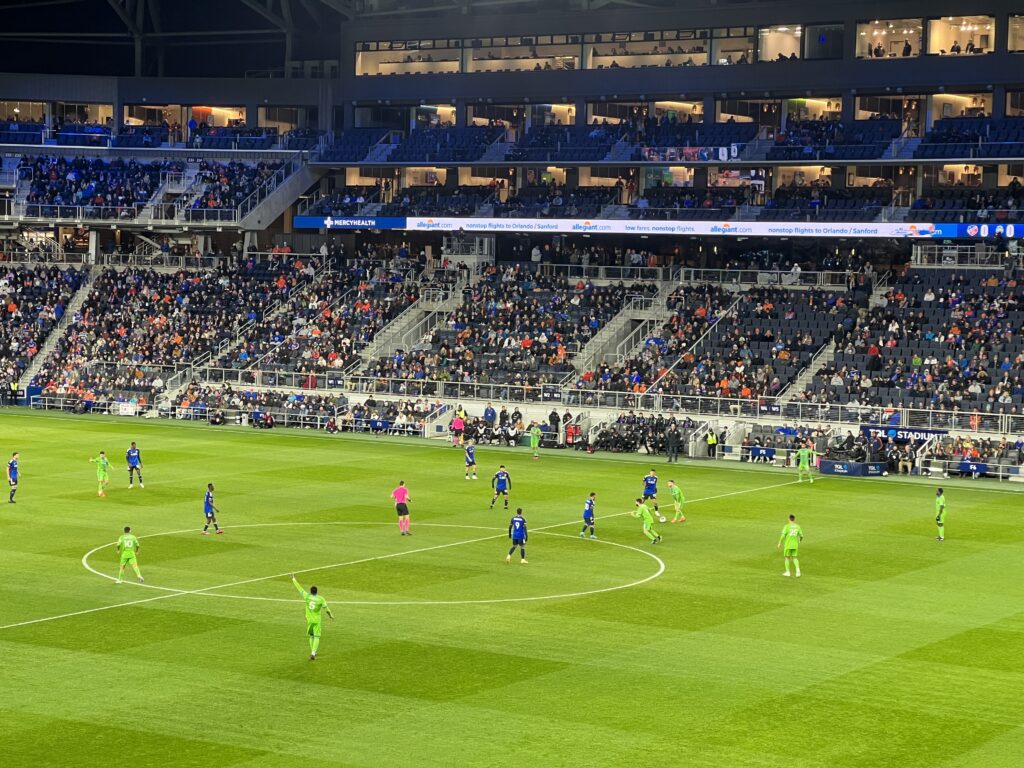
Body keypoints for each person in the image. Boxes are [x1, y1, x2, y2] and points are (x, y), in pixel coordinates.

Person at [291, 574, 334, 660]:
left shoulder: (307, 596)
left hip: (309, 620)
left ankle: (313, 652)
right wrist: (330, 615)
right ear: (316, 591)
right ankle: (313, 653)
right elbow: (327, 609)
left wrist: (293, 579)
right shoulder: (321, 599)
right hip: (317, 620)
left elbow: (299, 588)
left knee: (311, 636)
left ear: (310, 591)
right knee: (317, 636)